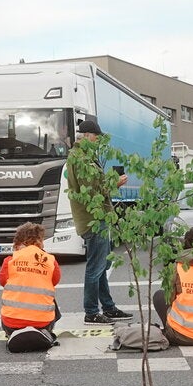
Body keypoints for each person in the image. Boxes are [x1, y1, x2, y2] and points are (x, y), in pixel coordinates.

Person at [65, 118, 132, 324]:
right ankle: (91, 311)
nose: (98, 140)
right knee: (95, 267)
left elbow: (93, 185)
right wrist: (115, 183)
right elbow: (93, 192)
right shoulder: (81, 158)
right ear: (86, 136)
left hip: (96, 217)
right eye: (96, 136)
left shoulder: (82, 155)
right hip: (93, 219)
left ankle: (108, 307)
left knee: (102, 265)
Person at [0, 222, 61, 336]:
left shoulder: (10, 260)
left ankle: (10, 333)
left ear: (18, 243)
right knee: (48, 294)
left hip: (11, 324)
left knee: (10, 294)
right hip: (43, 323)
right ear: (39, 242)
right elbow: (55, 280)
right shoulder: (50, 259)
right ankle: (45, 331)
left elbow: (3, 282)